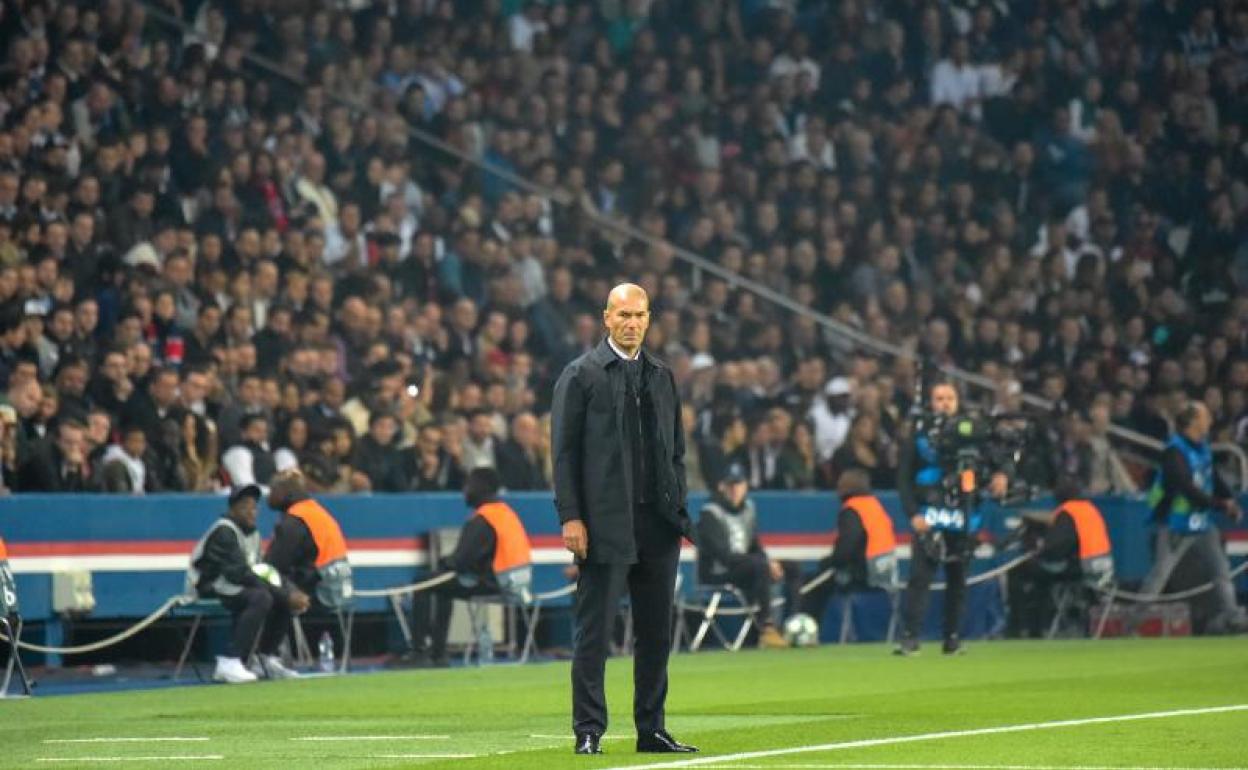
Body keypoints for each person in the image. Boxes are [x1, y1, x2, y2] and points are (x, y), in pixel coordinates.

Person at [551, 283, 697, 755]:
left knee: (655, 634)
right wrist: (571, 517)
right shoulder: (580, 375)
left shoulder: (661, 375)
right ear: (606, 319)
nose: (632, 323)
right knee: (594, 634)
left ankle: (650, 729)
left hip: (657, 525)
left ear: (650, 319)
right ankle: (588, 730)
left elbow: (676, 449)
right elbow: (564, 455)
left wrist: (677, 506)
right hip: (605, 525)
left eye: (639, 315)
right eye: (623, 315)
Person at [895, 381, 1009, 656]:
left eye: (949, 398)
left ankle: (953, 638)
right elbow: (903, 478)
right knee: (920, 577)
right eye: (938, 398)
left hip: (965, 513)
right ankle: (910, 638)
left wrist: (1002, 475)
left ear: (958, 401)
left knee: (958, 578)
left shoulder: (974, 432)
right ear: (930, 403)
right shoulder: (919, 435)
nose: (944, 403)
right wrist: (912, 514)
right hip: (930, 514)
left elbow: (1001, 458)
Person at [407, 466, 532, 666]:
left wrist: (443, 563)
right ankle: (438, 654)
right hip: (516, 583)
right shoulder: (506, 513)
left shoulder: (483, 519)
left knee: (422, 582)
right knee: (442, 586)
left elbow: (461, 561)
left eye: (468, 485)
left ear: (480, 487)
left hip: (494, 584)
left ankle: (419, 652)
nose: (465, 490)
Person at [185, 484, 309, 683]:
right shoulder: (224, 531)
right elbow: (239, 574)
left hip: (232, 583)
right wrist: (284, 594)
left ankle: (265, 658)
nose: (252, 512)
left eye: (254, 507)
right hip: (208, 585)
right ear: (232, 509)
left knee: (279, 597)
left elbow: (262, 570)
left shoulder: (253, 533)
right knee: (261, 597)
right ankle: (230, 660)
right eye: (245, 507)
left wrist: (289, 592)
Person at [1141, 402, 1247, 634]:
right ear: (1192, 422)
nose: (1209, 420)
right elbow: (1184, 486)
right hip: (1176, 524)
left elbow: (1213, 478)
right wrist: (1220, 505)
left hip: (1201, 521)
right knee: (1161, 573)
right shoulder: (1174, 451)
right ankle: (1135, 621)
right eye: (1205, 416)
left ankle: (1232, 615)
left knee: (1220, 569)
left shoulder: (1202, 447)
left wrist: (1228, 500)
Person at [696, 462, 792, 648]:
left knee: (791, 568)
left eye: (738, 484)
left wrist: (769, 561)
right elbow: (724, 557)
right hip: (718, 574)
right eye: (730, 485)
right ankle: (766, 627)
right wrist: (763, 562)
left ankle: (791, 624)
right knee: (761, 565)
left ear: (746, 486)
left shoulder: (749, 509)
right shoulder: (710, 514)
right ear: (721, 486)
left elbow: (755, 546)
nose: (734, 490)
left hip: (747, 568)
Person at [1006, 476, 1113, 638]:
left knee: (1024, 572)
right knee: (1041, 576)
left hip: (1080, 569)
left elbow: (1056, 547)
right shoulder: (1090, 509)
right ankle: (1038, 626)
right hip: (1103, 569)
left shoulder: (1068, 512)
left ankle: (1024, 627)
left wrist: (1038, 551)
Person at [801, 469, 899, 623]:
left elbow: (847, 549)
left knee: (811, 583)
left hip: (865, 574)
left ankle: (808, 625)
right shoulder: (874, 506)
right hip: (887, 572)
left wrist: (829, 561)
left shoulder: (853, 510)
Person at [265, 469, 353, 612]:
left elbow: (272, 566)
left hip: (315, 598)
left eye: (272, 490)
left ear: (283, 491)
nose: (268, 496)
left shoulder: (295, 521)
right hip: (337, 592)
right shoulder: (319, 513)